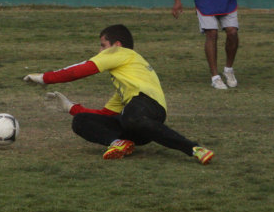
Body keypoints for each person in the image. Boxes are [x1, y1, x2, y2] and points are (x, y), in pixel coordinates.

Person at [23, 24, 215, 165]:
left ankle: (193, 148)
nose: (100, 51)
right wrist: (71, 108)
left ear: (116, 45)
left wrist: (44, 78)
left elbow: (80, 69)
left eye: (102, 45)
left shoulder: (124, 53)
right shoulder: (126, 84)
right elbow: (106, 115)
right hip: (139, 123)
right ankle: (119, 143)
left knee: (132, 117)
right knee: (80, 122)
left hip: (148, 108)